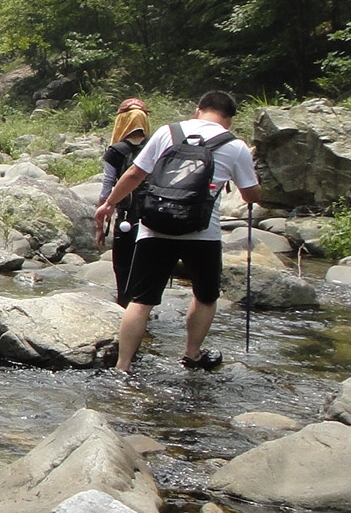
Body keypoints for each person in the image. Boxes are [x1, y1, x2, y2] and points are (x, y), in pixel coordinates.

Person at [94, 91, 261, 374]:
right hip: (202, 233)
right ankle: (192, 354)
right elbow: (250, 194)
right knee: (205, 296)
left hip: (154, 227)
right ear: (230, 120)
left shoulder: (167, 132)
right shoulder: (235, 146)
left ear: (198, 110)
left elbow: (135, 174)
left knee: (140, 300)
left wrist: (109, 204)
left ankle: (122, 368)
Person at [98, 98, 152, 305]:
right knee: (147, 269)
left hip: (127, 218)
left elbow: (107, 187)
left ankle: (124, 308)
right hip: (154, 217)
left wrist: (99, 226)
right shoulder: (157, 147)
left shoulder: (116, 151)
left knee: (123, 267)